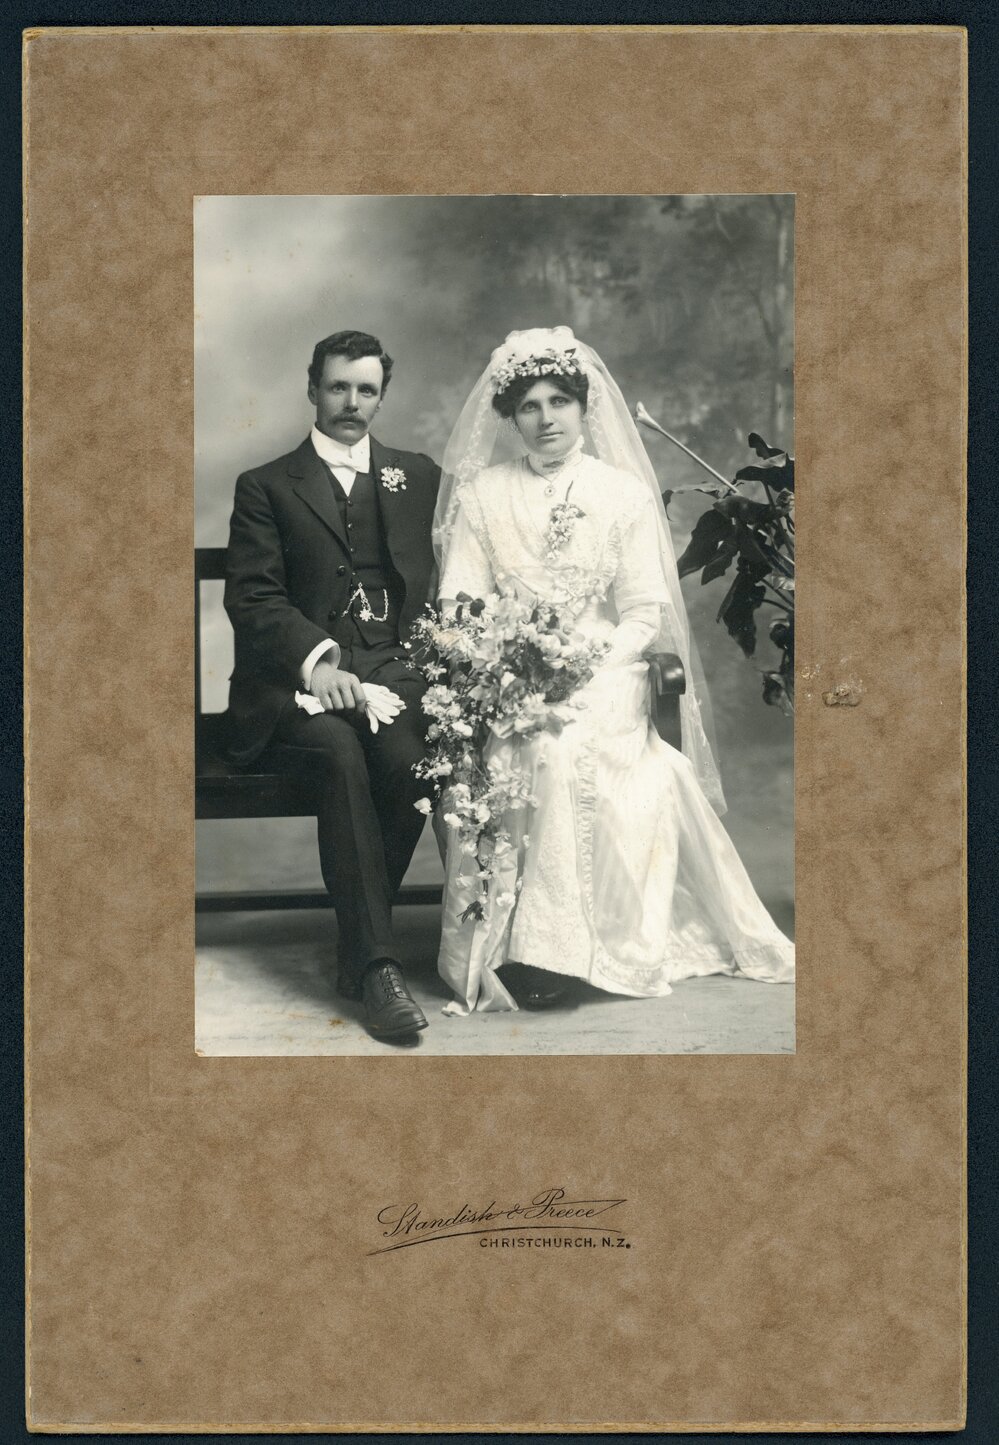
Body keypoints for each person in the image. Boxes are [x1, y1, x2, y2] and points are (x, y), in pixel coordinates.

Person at [432, 327, 795, 1013]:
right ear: (509, 416)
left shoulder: (620, 492)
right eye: (529, 405)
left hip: (608, 671)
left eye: (559, 400)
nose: (545, 418)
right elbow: (462, 604)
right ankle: (522, 950)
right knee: (532, 742)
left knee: (562, 746)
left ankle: (566, 954)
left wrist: (587, 663)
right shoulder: (482, 494)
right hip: (512, 673)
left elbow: (641, 611)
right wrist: (506, 665)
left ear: (583, 407)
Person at [223, 330, 439, 1039]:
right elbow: (253, 599)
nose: (352, 403)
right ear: (312, 389)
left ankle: (355, 945)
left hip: (391, 670)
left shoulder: (417, 475)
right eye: (339, 387)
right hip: (292, 686)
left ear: (383, 394)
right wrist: (316, 662)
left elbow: (442, 583)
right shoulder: (265, 486)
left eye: (367, 389)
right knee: (340, 756)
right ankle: (378, 967)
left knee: (416, 759)